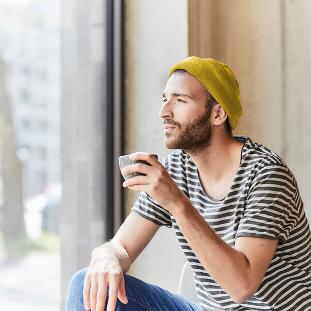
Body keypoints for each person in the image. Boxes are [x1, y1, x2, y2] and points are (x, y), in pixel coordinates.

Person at [65, 56, 311, 311]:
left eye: (180, 100)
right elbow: (122, 247)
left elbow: (242, 287)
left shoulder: (266, 174)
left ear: (217, 114)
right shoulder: (175, 170)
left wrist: (176, 202)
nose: (164, 112)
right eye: (165, 99)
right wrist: (106, 256)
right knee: (84, 283)